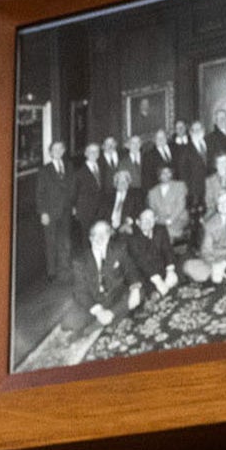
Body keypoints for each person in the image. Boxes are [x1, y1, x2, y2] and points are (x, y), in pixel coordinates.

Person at [71, 216, 139, 331]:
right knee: (70, 322)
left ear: (109, 236)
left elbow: (131, 270)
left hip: (115, 296)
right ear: (91, 238)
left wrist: (135, 289)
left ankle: (111, 316)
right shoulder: (80, 261)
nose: (101, 237)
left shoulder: (118, 249)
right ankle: (117, 315)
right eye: (97, 234)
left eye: (105, 233)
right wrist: (98, 311)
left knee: (139, 293)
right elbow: (80, 291)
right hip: (95, 299)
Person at [33, 140, 77, 280]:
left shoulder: (69, 167)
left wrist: (73, 205)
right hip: (50, 211)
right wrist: (43, 212)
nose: (58, 152)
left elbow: (72, 188)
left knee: (66, 240)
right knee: (51, 241)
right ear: (50, 153)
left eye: (60, 149)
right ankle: (51, 272)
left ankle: (65, 269)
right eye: (54, 149)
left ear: (63, 151)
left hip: (66, 209)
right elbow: (39, 193)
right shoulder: (44, 170)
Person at [125, 201, 180, 299]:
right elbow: (142, 263)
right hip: (147, 273)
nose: (149, 222)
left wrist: (170, 270)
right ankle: (154, 292)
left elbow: (168, 251)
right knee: (145, 287)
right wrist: (158, 281)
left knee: (177, 271)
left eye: (151, 218)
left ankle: (162, 289)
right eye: (145, 219)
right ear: (138, 222)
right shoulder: (132, 240)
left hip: (161, 267)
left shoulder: (161, 230)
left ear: (155, 219)